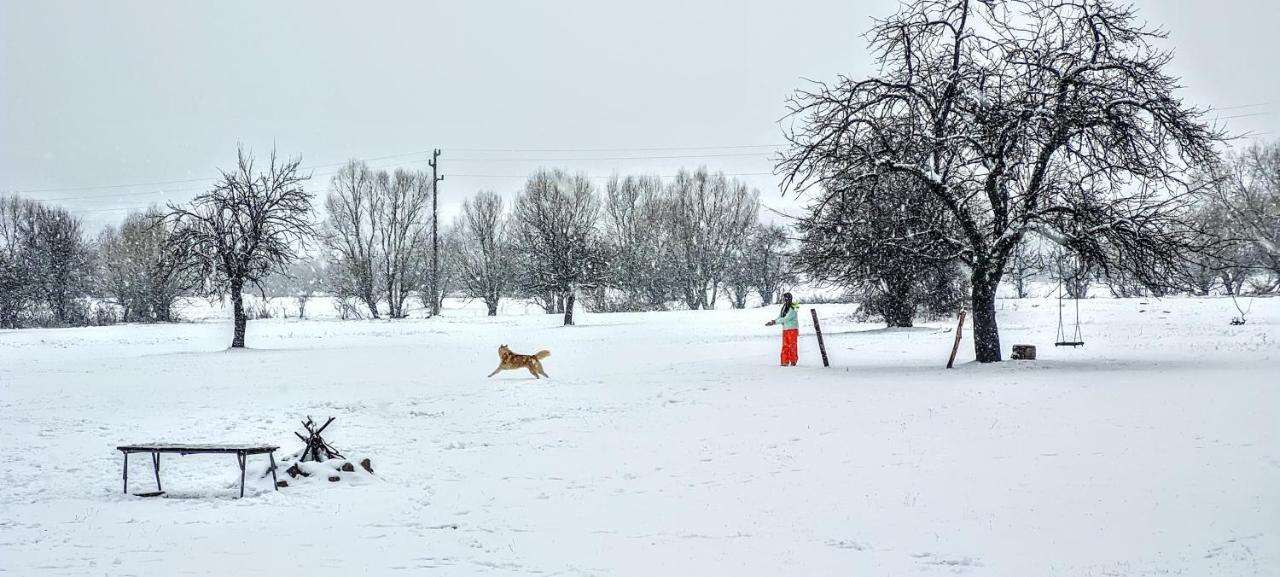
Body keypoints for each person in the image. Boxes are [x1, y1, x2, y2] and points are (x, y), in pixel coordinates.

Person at [765, 292, 800, 366]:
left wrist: (775, 322)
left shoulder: (794, 307)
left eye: (787, 298)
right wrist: (773, 321)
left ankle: (793, 361)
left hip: (792, 329)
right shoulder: (784, 306)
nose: (785, 299)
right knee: (785, 345)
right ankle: (784, 361)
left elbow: (786, 318)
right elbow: (780, 316)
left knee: (792, 345)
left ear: (790, 298)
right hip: (785, 329)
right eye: (784, 298)